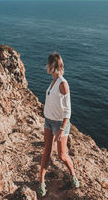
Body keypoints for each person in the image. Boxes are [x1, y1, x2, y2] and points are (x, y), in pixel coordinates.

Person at [38, 52, 80, 197]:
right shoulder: (53, 81)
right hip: (48, 121)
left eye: (48, 64)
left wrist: (62, 129)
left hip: (60, 124)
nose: (46, 66)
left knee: (62, 155)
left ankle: (73, 175)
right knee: (46, 151)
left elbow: (68, 111)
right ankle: (41, 182)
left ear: (53, 65)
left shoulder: (62, 83)